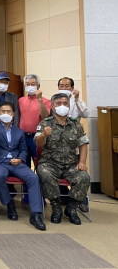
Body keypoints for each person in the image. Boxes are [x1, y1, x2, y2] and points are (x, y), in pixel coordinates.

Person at [0, 102, 46, 230]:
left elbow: (24, 149)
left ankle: (36, 214)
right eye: (3, 111)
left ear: (13, 114)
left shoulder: (19, 131)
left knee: (33, 178)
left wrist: (20, 159)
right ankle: (9, 204)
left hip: (16, 163)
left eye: (8, 111)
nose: (6, 114)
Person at [35, 93, 90, 225]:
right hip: (49, 163)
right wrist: (44, 135)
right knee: (44, 173)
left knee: (84, 177)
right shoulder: (45, 123)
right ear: (53, 107)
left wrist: (82, 162)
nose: (62, 106)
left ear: (69, 106)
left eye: (65, 103)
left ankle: (72, 208)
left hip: (70, 164)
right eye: (58, 103)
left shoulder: (75, 124)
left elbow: (83, 144)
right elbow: (38, 144)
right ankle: (56, 207)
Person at [58, 76, 90, 212]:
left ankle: (81, 200)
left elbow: (86, 114)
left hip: (74, 141)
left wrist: (77, 99)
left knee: (77, 171)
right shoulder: (56, 101)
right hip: (58, 143)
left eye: (67, 86)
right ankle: (64, 196)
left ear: (72, 88)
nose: (64, 88)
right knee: (58, 170)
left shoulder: (77, 101)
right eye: (61, 86)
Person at [18, 74, 51, 204]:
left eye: (33, 84)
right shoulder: (21, 100)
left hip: (37, 138)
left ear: (38, 86)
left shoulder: (46, 101)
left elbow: (46, 116)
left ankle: (40, 196)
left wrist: (40, 99)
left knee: (39, 167)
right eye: (28, 84)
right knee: (24, 167)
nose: (30, 86)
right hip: (22, 137)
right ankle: (27, 195)